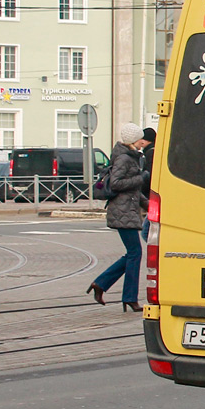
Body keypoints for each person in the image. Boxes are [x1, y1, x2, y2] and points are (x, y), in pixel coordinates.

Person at [86, 123, 150, 311]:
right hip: (122, 211)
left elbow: (133, 192)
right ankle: (129, 297)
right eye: (140, 139)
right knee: (135, 253)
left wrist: (150, 205)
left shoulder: (131, 157)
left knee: (133, 254)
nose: (142, 143)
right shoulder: (124, 158)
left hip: (127, 210)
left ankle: (102, 284)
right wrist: (141, 178)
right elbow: (116, 184)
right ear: (132, 140)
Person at [139, 127, 156, 242]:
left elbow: (149, 174)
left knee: (146, 232)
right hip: (150, 195)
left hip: (150, 196)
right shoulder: (153, 151)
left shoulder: (151, 153)